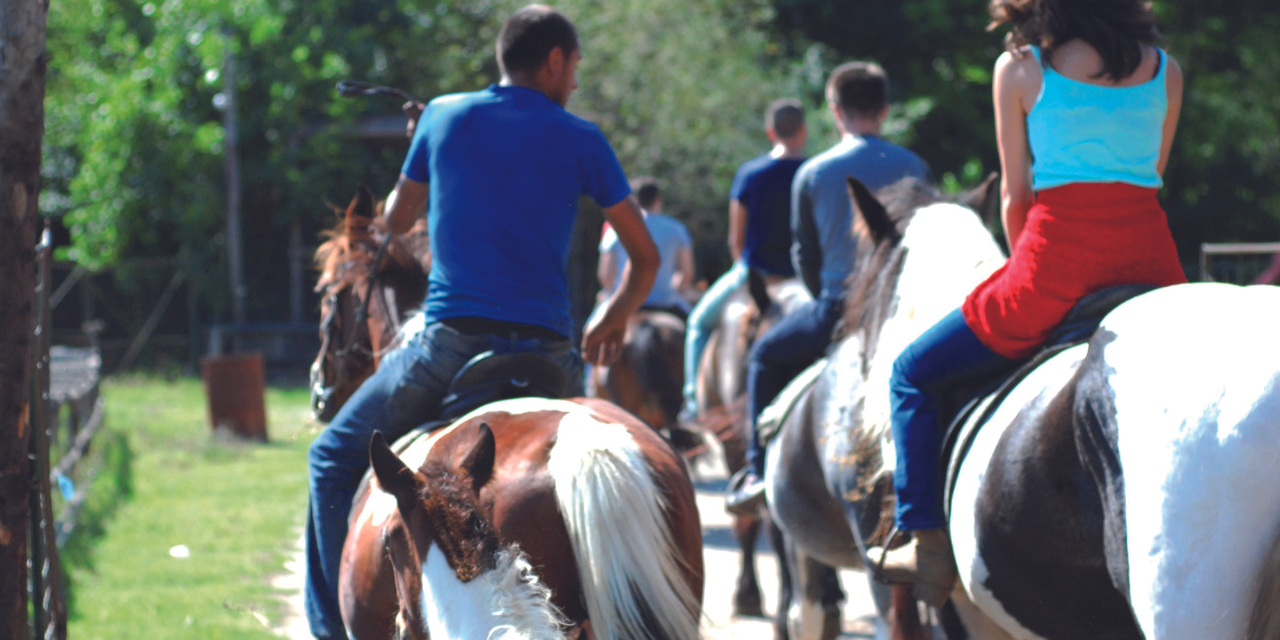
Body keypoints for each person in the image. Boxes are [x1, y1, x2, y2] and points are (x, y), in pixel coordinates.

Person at [303, 6, 659, 638]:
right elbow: (645, 256)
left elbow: (392, 219)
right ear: (553, 60)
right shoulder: (583, 137)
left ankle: (331, 629)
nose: (574, 81)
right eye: (574, 66)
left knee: (331, 458)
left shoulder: (443, 115)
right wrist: (617, 311)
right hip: (551, 354)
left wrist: (428, 149)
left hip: (450, 346)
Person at [866, 0, 1187, 607]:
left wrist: (1024, 267)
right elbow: (1151, 174)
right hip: (1151, 268)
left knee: (911, 373)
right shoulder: (1165, 70)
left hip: (1054, 270)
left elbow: (1015, 195)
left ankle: (924, 539)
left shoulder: (1020, 69)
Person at [725, 62, 933, 514]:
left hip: (838, 310)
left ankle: (758, 471)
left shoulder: (815, 173)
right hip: (903, 311)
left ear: (835, 111)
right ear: (884, 109)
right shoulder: (915, 166)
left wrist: (827, 298)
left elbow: (807, 256)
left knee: (763, 355)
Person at [679, 99, 808, 422]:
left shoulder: (750, 174)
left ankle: (693, 403)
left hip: (756, 276)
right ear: (803, 131)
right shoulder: (812, 173)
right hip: (801, 278)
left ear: (769, 132)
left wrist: (744, 269)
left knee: (698, 323)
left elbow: (736, 238)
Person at [597, 176, 695, 319]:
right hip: (665, 302)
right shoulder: (677, 229)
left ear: (634, 201)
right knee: (696, 325)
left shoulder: (615, 229)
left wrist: (611, 292)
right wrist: (671, 288)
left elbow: (606, 276)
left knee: (590, 332)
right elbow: (686, 274)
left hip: (623, 304)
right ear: (658, 201)